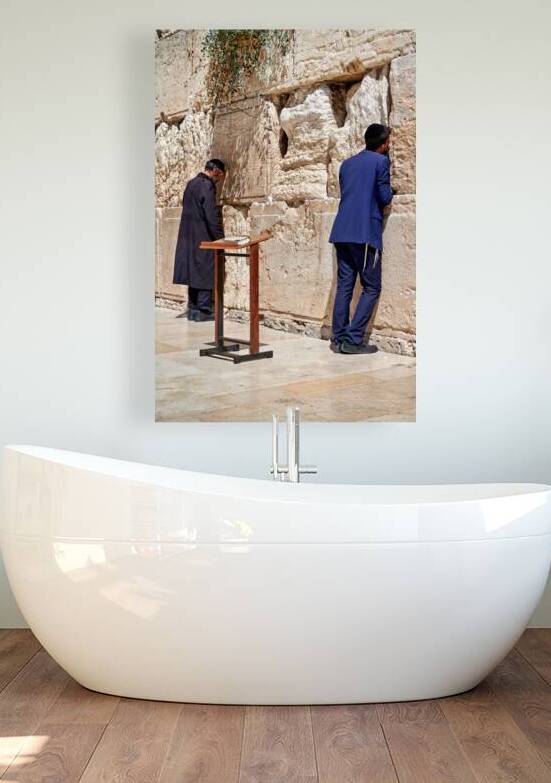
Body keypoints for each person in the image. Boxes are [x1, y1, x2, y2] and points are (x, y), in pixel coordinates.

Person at [328, 124, 394, 353]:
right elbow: (384, 197)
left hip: (341, 232)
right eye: (389, 143)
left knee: (344, 286)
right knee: (372, 286)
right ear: (384, 144)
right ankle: (354, 340)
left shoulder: (346, 164)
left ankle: (338, 338)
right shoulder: (381, 162)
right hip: (364, 233)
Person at [173, 158, 226, 321]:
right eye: (220, 175)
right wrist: (219, 238)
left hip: (188, 236)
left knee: (193, 270)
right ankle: (203, 310)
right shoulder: (207, 185)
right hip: (203, 235)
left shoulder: (191, 183)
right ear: (215, 170)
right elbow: (210, 214)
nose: (219, 180)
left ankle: (193, 308)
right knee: (204, 270)